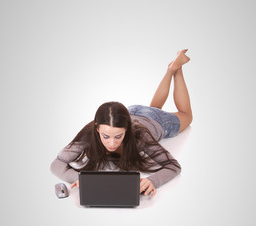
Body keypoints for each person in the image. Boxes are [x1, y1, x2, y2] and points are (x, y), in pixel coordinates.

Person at [50, 49, 192, 197]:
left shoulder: (140, 136)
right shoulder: (89, 133)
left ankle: (177, 69)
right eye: (106, 136)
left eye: (118, 136)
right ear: (97, 129)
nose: (112, 143)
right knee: (153, 108)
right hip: (131, 111)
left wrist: (152, 181)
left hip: (157, 120)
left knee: (186, 115)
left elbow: (173, 166)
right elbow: (56, 164)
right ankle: (170, 69)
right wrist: (81, 179)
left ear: (127, 129)